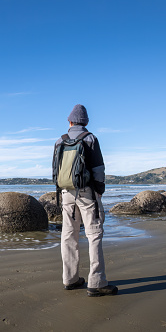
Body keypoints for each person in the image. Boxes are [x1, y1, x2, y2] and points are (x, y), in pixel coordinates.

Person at [55, 104, 118, 297]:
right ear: (86, 121)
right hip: (87, 193)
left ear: (70, 121)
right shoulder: (90, 138)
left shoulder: (60, 141)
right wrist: (99, 191)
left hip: (66, 192)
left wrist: (61, 191)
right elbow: (99, 169)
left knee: (68, 235)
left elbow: (55, 170)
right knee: (94, 234)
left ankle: (70, 279)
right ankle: (96, 282)